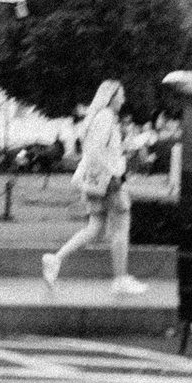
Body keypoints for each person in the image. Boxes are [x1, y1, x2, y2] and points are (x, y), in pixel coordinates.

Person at [41, 75, 141, 294]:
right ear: (111, 97)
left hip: (96, 182)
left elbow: (95, 150)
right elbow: (95, 152)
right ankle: (120, 280)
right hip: (109, 181)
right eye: (121, 95)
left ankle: (55, 259)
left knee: (96, 228)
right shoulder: (106, 117)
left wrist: (121, 149)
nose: (123, 100)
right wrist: (115, 175)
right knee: (121, 227)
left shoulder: (98, 117)